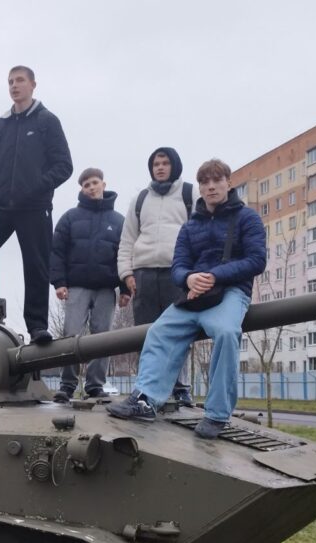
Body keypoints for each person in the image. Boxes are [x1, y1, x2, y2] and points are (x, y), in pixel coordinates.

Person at [107, 159, 266, 439]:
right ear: (200, 188)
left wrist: (214, 276)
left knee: (226, 333)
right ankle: (146, 399)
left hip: (231, 291)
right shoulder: (191, 226)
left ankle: (217, 414)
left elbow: (256, 259)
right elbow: (179, 265)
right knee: (159, 332)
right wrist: (189, 279)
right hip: (194, 293)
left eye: (217, 180)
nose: (211, 187)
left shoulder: (247, 218)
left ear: (229, 183)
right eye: (205, 182)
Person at [0, 65, 72, 343]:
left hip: (35, 206)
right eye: (10, 82)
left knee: (35, 265)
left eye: (20, 80)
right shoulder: (2, 124)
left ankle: (37, 326)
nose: (14, 86)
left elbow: (64, 166)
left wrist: (36, 187)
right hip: (3, 204)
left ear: (33, 85)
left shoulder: (47, 121)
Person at [117, 147, 196, 405]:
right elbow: (127, 239)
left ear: (175, 165)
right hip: (144, 274)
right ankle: (145, 388)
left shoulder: (189, 194)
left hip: (178, 273)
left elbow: (200, 233)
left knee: (180, 331)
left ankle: (180, 387)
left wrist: (195, 272)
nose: (160, 168)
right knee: (145, 333)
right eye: (156, 164)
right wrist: (126, 274)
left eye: (165, 163)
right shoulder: (140, 199)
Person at [49, 168, 128, 402]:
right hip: (77, 286)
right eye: (86, 185)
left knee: (103, 338)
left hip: (106, 288)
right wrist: (59, 282)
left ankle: (95, 386)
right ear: (82, 190)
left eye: (94, 182)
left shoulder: (119, 221)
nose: (91, 187)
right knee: (70, 335)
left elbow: (125, 255)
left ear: (104, 184)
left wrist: (125, 289)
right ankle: (67, 385)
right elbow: (57, 251)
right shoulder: (70, 217)